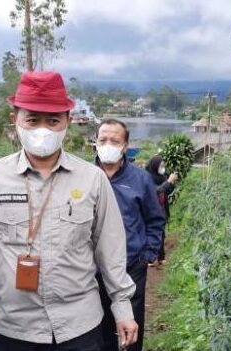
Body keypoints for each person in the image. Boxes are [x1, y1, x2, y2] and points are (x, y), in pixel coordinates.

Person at [0, 71, 138, 351]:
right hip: (14, 329)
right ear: (16, 121)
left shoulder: (92, 179)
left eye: (53, 120)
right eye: (32, 120)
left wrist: (122, 309)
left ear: (67, 122)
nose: (42, 130)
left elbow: (111, 251)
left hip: (79, 327)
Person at [94, 119, 166, 351]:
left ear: (125, 145)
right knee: (95, 325)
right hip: (90, 269)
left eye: (115, 141)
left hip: (130, 265)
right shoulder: (84, 176)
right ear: (95, 142)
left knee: (130, 325)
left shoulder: (141, 179)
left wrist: (148, 254)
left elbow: (155, 219)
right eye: (103, 139)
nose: (108, 144)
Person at [144, 155, 178, 265]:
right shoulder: (147, 177)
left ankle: (160, 257)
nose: (162, 168)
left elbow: (165, 191)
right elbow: (155, 191)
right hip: (150, 209)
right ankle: (150, 258)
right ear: (155, 166)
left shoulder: (162, 177)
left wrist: (172, 183)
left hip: (162, 208)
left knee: (161, 234)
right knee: (151, 233)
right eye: (161, 166)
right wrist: (168, 182)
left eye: (163, 166)